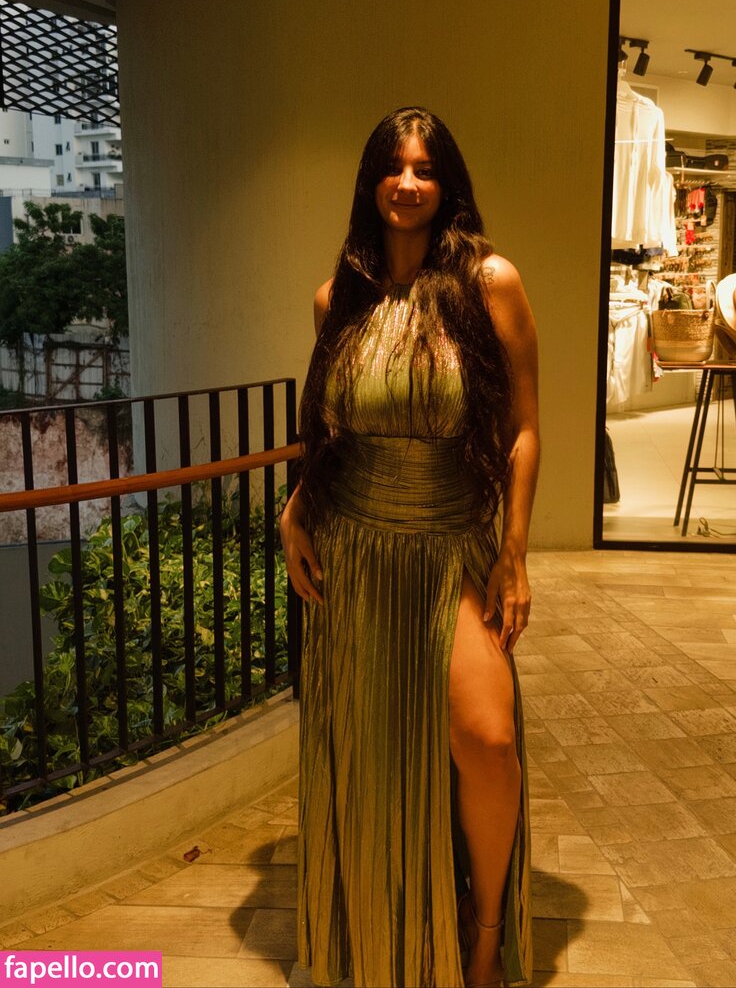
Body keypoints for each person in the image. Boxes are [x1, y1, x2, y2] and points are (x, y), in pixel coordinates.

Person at [280, 106, 539, 988]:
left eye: (425, 168)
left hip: (450, 548)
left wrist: (514, 551)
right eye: (394, 167)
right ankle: (381, 925)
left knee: (487, 737)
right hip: (353, 554)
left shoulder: (489, 283)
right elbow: (334, 431)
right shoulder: (338, 299)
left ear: (446, 182)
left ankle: (483, 928)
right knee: (373, 755)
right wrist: (296, 508)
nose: (408, 183)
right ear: (371, 182)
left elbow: (523, 430)